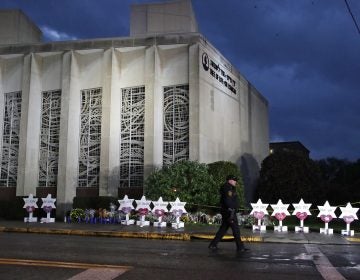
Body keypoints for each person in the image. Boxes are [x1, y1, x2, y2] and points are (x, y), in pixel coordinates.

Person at [208, 175, 249, 252]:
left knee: (223, 229)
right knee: (236, 230)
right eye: (234, 180)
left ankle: (213, 244)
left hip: (228, 211)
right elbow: (228, 200)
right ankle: (240, 247)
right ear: (229, 180)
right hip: (230, 212)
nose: (235, 182)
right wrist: (232, 208)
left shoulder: (230, 188)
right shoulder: (228, 188)